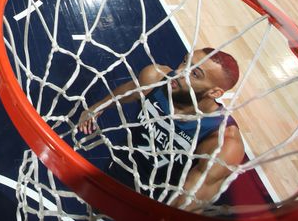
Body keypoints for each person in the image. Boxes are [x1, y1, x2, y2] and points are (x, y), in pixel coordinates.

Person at [76, 48, 244, 212]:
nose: (179, 72)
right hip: (118, 168)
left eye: (194, 74)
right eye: (185, 61)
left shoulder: (222, 140)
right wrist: (98, 107)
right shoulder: (156, 77)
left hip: (153, 202)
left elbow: (188, 201)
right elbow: (131, 91)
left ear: (215, 92)